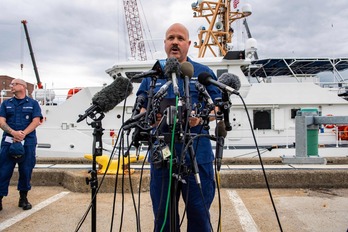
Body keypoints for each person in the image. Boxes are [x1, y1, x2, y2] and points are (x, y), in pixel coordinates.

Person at [136, 23, 221, 231]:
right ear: (165, 43)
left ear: (188, 44)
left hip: (196, 155)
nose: (175, 42)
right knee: (163, 217)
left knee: (200, 216)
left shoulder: (203, 73)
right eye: (171, 38)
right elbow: (141, 108)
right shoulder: (153, 75)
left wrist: (200, 118)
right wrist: (150, 118)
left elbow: (219, 107)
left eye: (180, 38)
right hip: (162, 156)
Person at [0, 78, 42, 211]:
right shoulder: (6, 104)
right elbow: (1, 121)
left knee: (26, 170)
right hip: (8, 142)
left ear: (22, 87)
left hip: (27, 142)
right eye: (11, 84)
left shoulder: (33, 104)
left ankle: (23, 198)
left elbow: (36, 121)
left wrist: (22, 134)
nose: (11, 86)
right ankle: (0, 198)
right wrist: (13, 133)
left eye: (14, 84)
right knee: (3, 171)